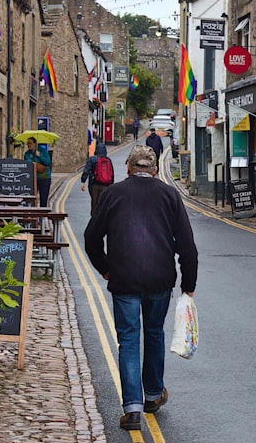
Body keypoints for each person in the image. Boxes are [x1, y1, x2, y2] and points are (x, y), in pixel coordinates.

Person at [84, 145, 198, 431]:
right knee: (154, 333)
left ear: (129, 169)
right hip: (160, 277)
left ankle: (132, 408)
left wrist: (106, 267)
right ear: (156, 170)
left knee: (129, 340)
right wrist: (189, 284)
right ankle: (153, 394)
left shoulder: (112, 194)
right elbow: (187, 246)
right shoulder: (170, 195)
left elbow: (91, 237)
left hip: (124, 278)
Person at [80, 142, 112, 214]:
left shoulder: (92, 159)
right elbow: (111, 174)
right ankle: (102, 219)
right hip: (105, 186)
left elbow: (86, 170)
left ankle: (94, 220)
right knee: (103, 204)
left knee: (94, 203)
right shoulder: (108, 160)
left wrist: (83, 181)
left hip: (93, 185)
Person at [24, 137, 52, 207]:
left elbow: (48, 162)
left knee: (43, 200)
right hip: (33, 180)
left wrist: (40, 156)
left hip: (44, 178)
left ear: (35, 144)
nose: (28, 145)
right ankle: (33, 216)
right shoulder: (27, 154)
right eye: (28, 143)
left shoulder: (42, 151)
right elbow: (27, 164)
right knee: (32, 200)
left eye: (30, 143)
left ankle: (42, 216)